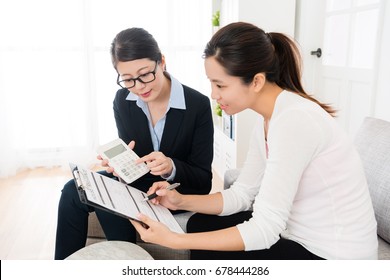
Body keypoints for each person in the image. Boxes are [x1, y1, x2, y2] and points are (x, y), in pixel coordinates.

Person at [131, 22, 378, 260]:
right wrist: (180, 200)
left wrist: (174, 239)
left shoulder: (295, 121)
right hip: (297, 235)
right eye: (211, 84)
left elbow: (265, 229)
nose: (214, 95)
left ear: (257, 81)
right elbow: (242, 195)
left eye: (220, 85)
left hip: (333, 256)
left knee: (212, 248)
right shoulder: (268, 121)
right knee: (199, 223)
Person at [54, 27, 214, 260]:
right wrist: (118, 165)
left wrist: (171, 167)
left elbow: (203, 181)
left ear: (162, 62)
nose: (139, 87)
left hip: (173, 195)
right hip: (134, 188)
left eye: (145, 74)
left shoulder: (196, 105)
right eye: (128, 79)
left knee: (112, 204)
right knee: (73, 189)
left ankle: (128, 262)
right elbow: (132, 157)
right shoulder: (124, 100)